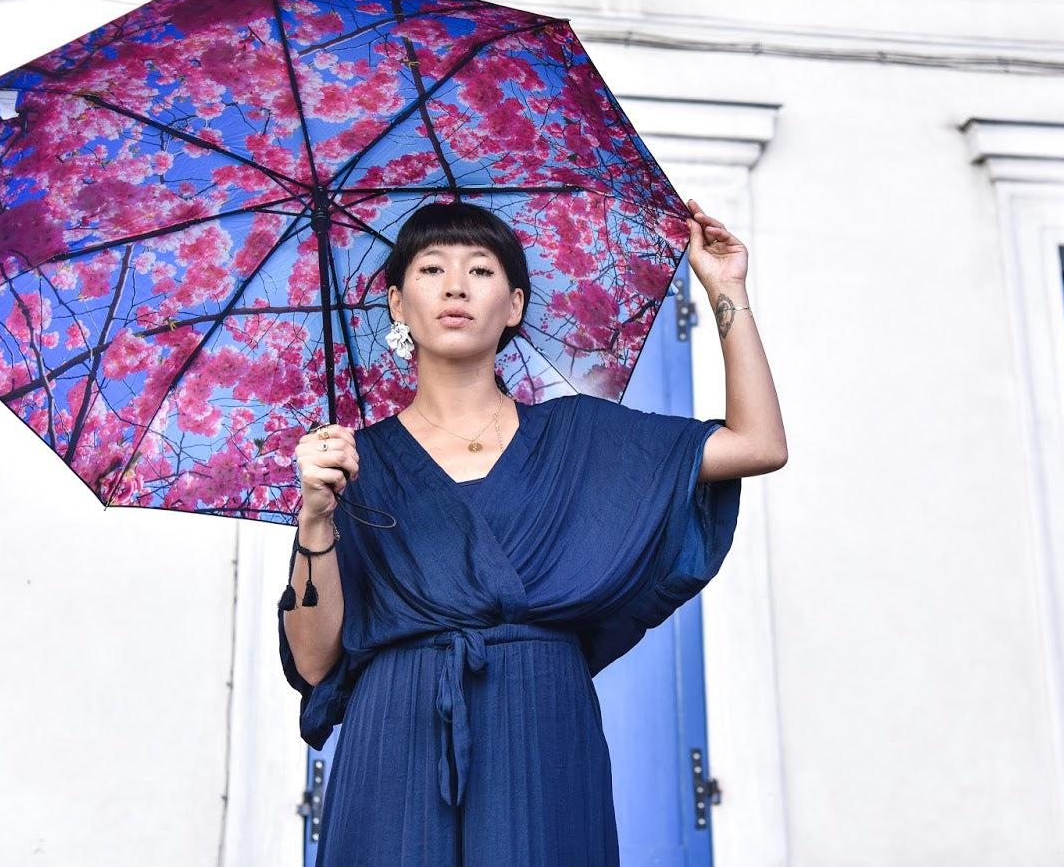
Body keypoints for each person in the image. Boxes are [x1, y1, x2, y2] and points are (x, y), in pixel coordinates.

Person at [279, 199, 786, 865]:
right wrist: (316, 513)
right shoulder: (347, 462)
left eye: (480, 270)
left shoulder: (580, 436)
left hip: (542, 723)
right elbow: (315, 663)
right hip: (394, 731)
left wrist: (726, 290)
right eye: (430, 268)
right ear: (397, 303)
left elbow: (758, 444)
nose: (455, 286)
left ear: (514, 304)